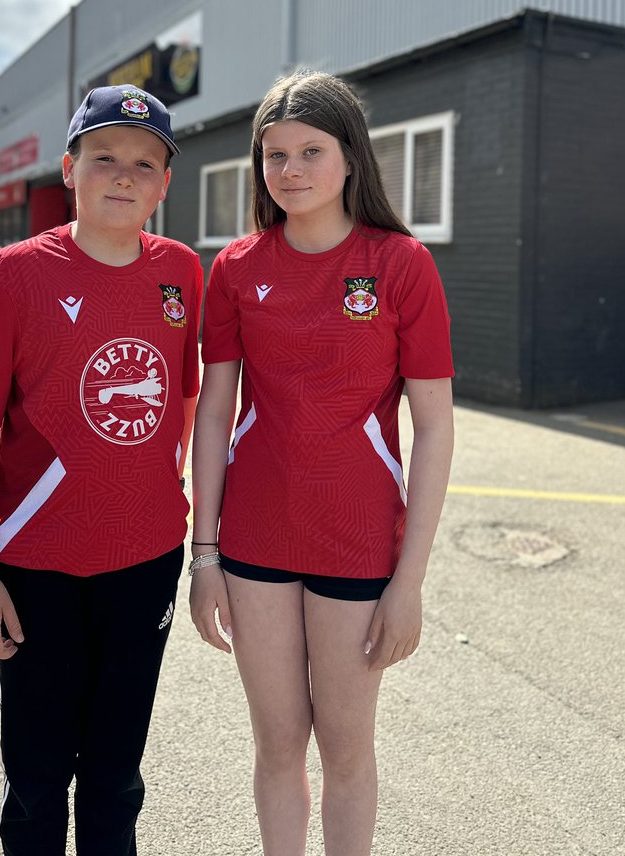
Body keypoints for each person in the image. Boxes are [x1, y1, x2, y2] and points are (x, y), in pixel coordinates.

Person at [189, 70, 454, 856]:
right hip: (254, 546)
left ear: (349, 160)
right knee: (277, 746)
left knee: (345, 751)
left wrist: (409, 582)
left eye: (311, 150)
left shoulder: (401, 265)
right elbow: (214, 410)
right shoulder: (235, 268)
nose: (291, 170)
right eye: (274, 155)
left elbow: (434, 428)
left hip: (359, 545)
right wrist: (203, 556)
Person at [0, 85, 202, 856]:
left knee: (117, 776)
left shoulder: (182, 272)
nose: (124, 176)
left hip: (146, 563)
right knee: (36, 774)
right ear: (69, 169)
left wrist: (160, 493)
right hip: (33, 568)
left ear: (163, 184)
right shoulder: (11, 276)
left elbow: (182, 397)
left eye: (144, 164)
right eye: (105, 158)